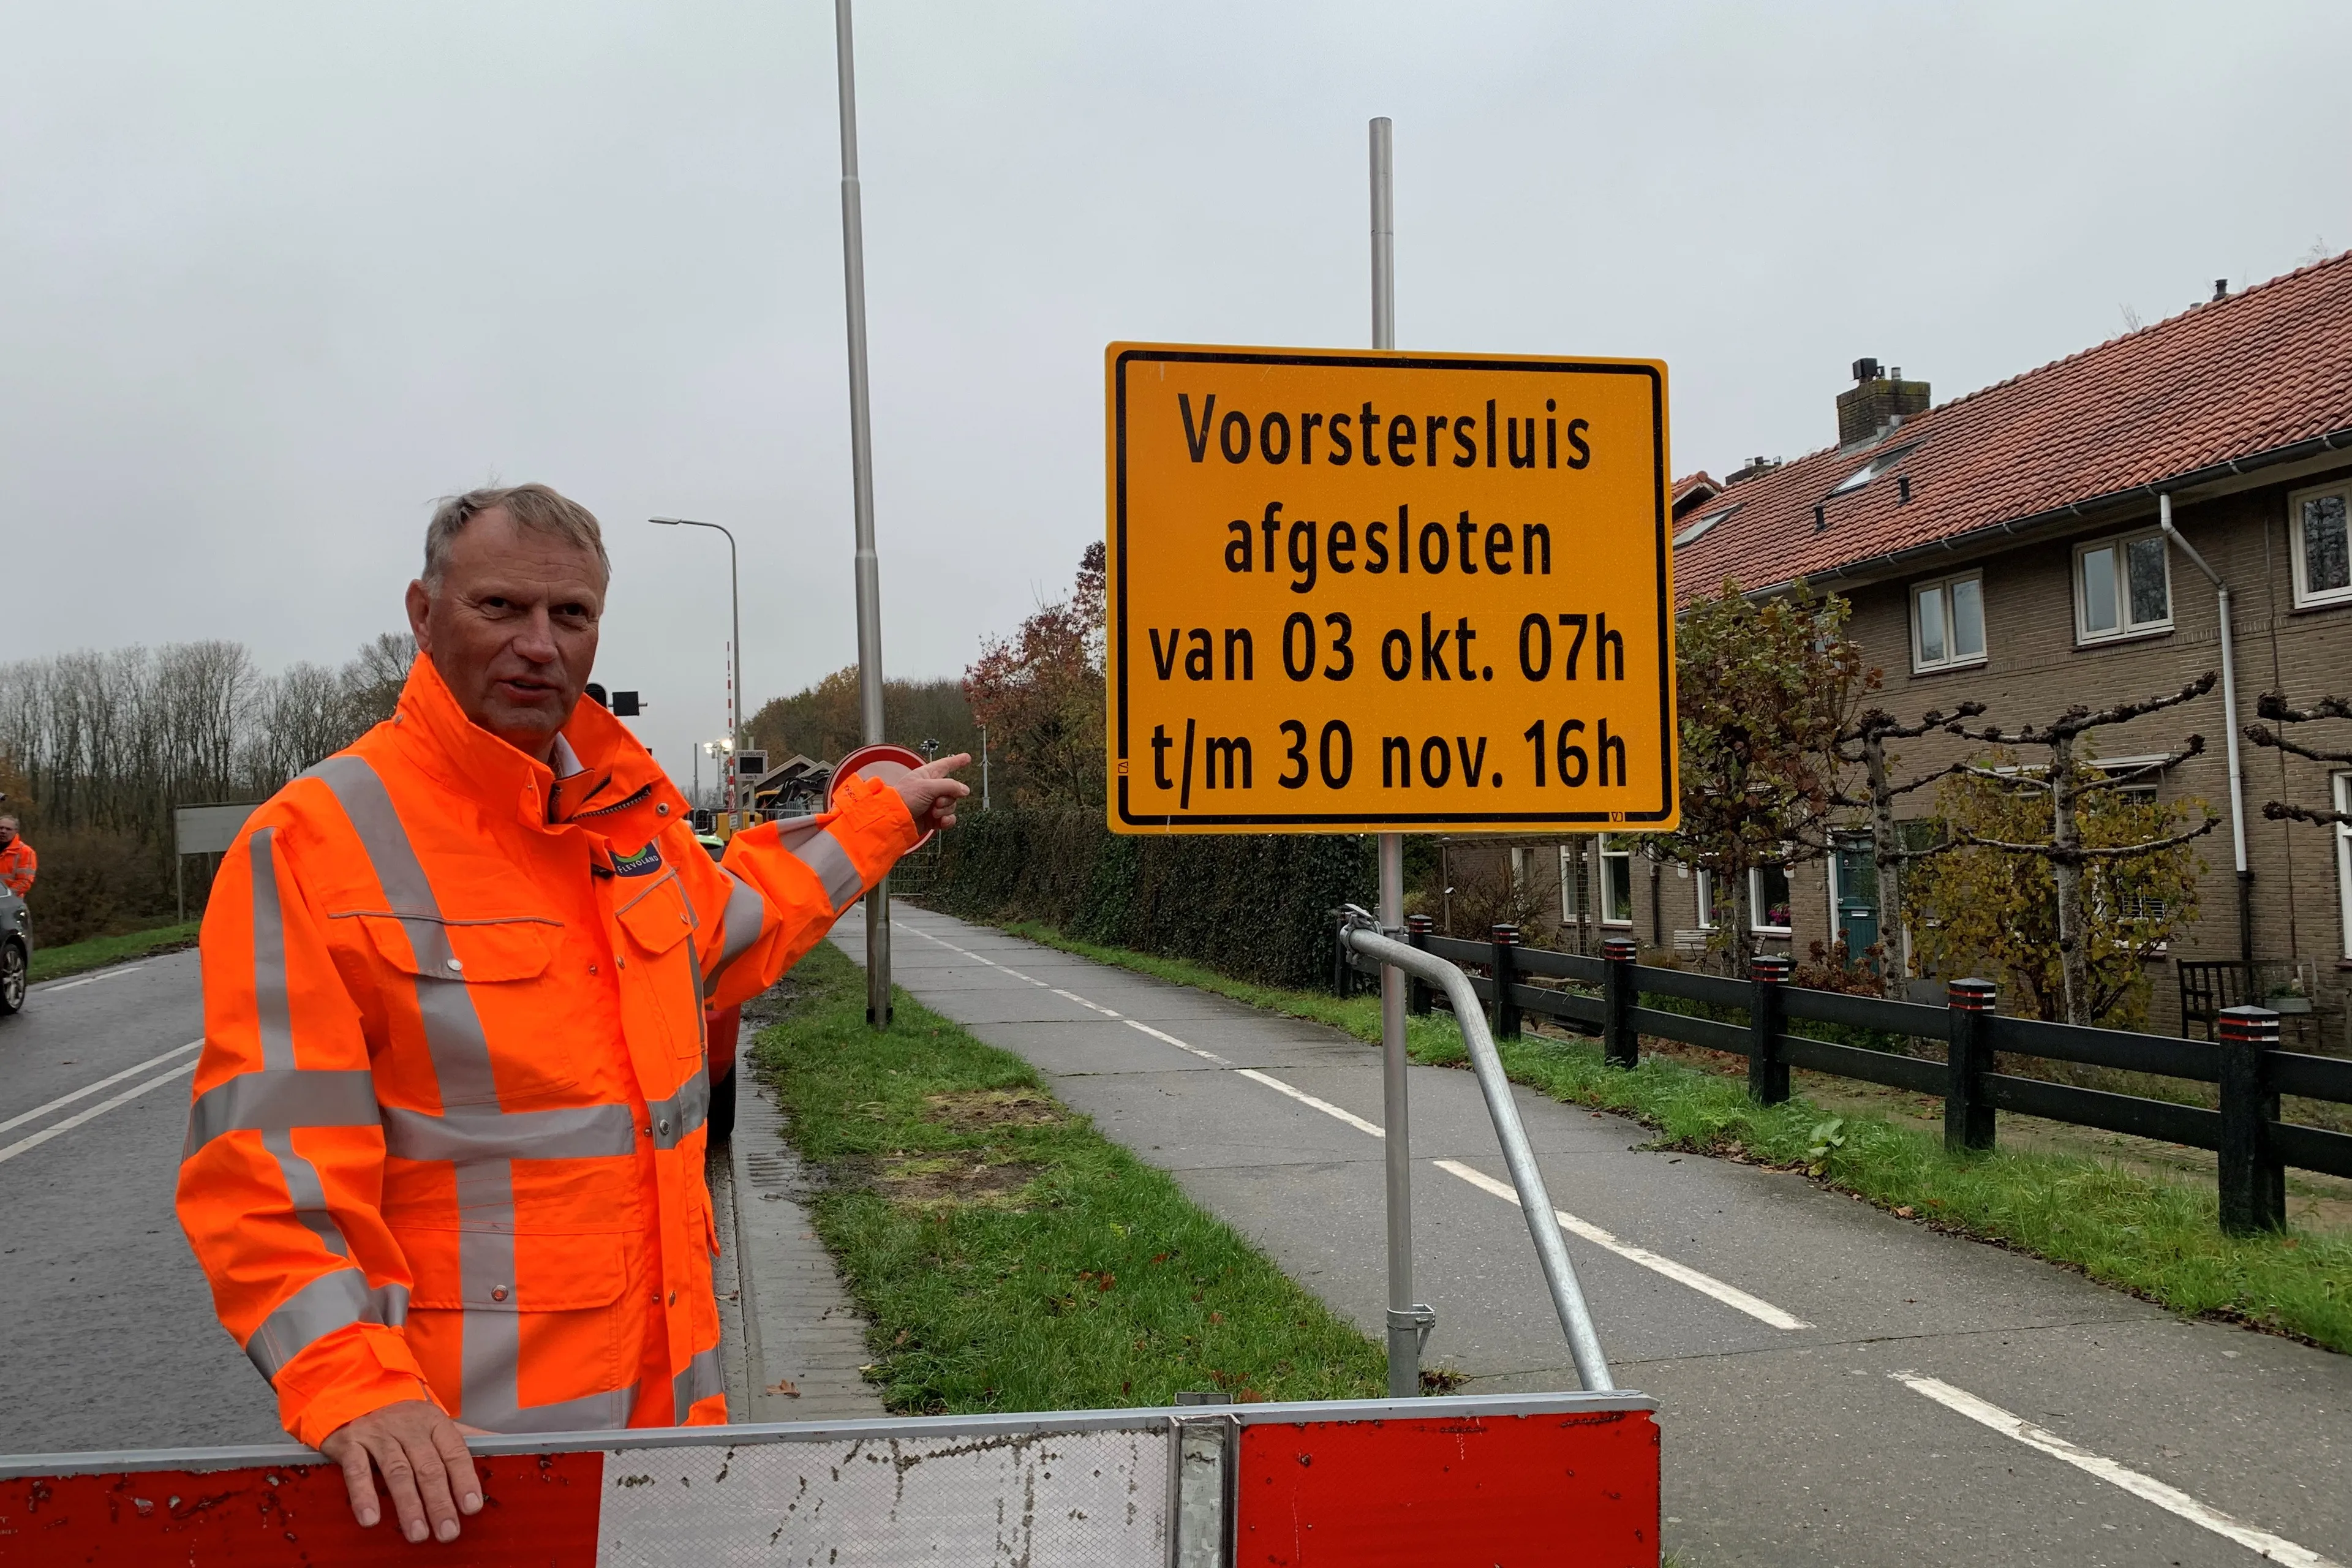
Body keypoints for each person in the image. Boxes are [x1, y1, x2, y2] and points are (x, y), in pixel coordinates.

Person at [174, 484, 967, 1547]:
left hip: (671, 1451)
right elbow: (267, 1173)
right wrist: (356, 1385)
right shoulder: (315, 844)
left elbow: (742, 922)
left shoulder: (623, 823)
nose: (539, 645)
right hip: (466, 1473)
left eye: (572, 615)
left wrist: (878, 821)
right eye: (500, 607)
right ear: (422, 613)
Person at [0, 816, 33, 897]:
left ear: (16, 831)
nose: (3, 831)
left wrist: (7, 896)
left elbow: (25, 882)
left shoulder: (26, 852)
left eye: (8, 829)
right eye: (1, 828)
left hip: (10, 903)